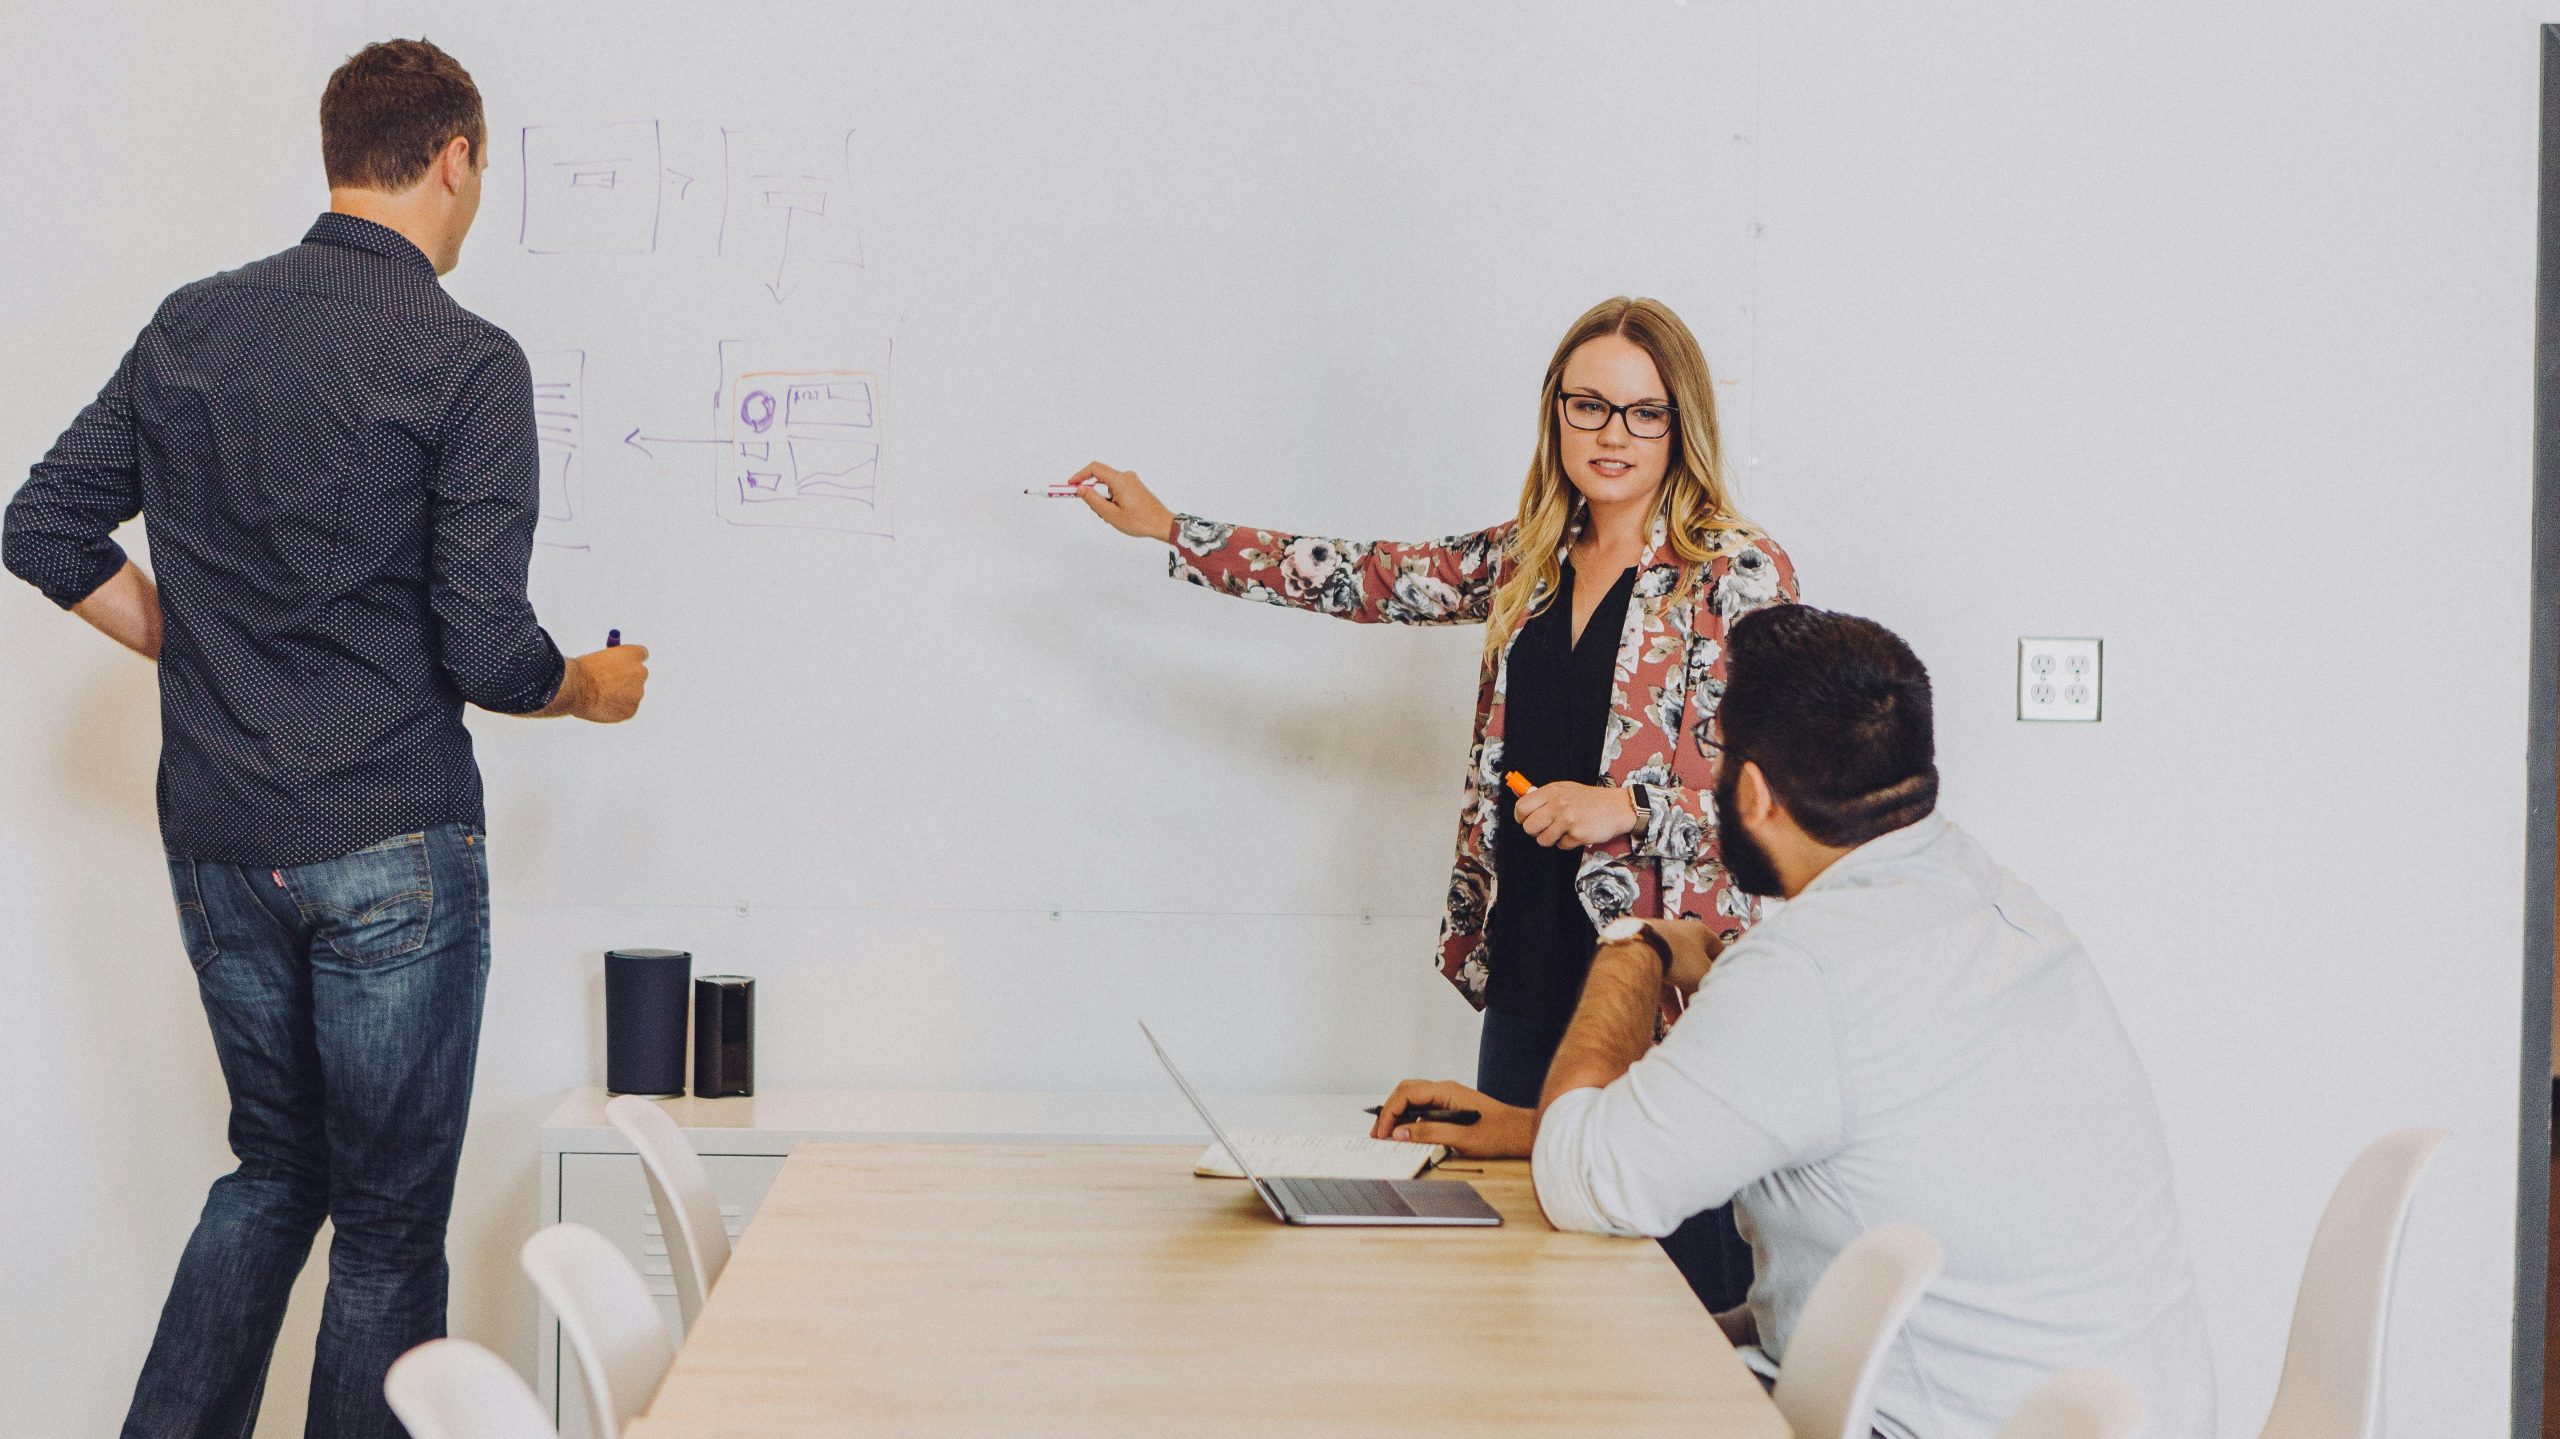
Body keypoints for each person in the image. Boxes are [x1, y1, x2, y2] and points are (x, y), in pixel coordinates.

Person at [1, 39, 649, 1439]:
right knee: (388, 1223)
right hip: (389, 841)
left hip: (222, 842)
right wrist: (591, 686)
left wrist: (192, 636)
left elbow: (40, 525)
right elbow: (486, 650)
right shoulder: (464, 359)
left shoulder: (194, 324)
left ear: (339, 152)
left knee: (273, 1169)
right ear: (456, 157)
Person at [1069, 296, 1796, 1306]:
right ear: (1555, 414)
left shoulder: (1733, 574)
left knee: (1659, 1274)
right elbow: (1364, 577)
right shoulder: (1528, 555)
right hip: (1528, 950)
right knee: (1523, 1268)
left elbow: (1780, 792)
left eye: (1643, 412)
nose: (1612, 435)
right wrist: (1170, 527)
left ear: (1681, 426)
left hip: (1653, 978)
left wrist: (1625, 805)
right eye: (1589, 406)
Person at [1373, 605, 2215, 1438]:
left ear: (1750, 791)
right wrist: (1532, 1127)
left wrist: (1636, 944)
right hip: (2118, 1410)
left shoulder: (1808, 972)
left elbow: (1581, 1181)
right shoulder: (1989, 897)